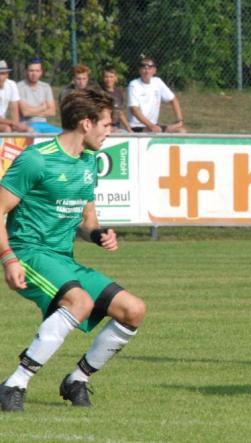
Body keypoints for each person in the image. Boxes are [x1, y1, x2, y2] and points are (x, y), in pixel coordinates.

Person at [0, 89, 147, 412]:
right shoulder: (36, 159)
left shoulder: (89, 161)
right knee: (79, 302)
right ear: (85, 123)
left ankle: (77, 379)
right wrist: (9, 258)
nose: (111, 131)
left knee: (133, 310)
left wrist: (98, 235)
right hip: (30, 252)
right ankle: (15, 383)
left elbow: (87, 219)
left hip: (64, 259)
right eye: (107, 125)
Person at [127, 57, 185, 133]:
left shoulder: (158, 82)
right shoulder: (134, 85)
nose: (146, 71)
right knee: (154, 132)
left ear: (154, 70)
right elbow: (134, 110)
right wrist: (151, 126)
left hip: (154, 126)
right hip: (137, 126)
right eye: (144, 68)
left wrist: (179, 120)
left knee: (181, 131)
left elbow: (173, 100)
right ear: (139, 70)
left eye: (149, 68)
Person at [17, 58, 60, 134]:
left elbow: (52, 112)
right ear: (26, 71)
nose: (34, 74)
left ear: (41, 72)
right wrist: (43, 107)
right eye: (31, 71)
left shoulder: (46, 87)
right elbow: (25, 112)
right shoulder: (19, 87)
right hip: (27, 125)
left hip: (44, 124)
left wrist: (32, 110)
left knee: (63, 134)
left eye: (37, 71)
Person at [0, 60, 31, 133]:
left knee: (28, 129)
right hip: (3, 123)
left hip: (3, 121)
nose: (0, 77)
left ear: (7, 74)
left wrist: (16, 126)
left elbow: (14, 109)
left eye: (3, 74)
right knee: (7, 129)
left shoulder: (11, 85)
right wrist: (14, 123)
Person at [100, 65, 132, 133]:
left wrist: (129, 129)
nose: (109, 79)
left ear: (115, 78)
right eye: (106, 77)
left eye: (111, 77)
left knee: (125, 133)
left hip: (116, 126)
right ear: (103, 78)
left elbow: (120, 113)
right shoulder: (99, 92)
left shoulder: (119, 92)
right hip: (102, 127)